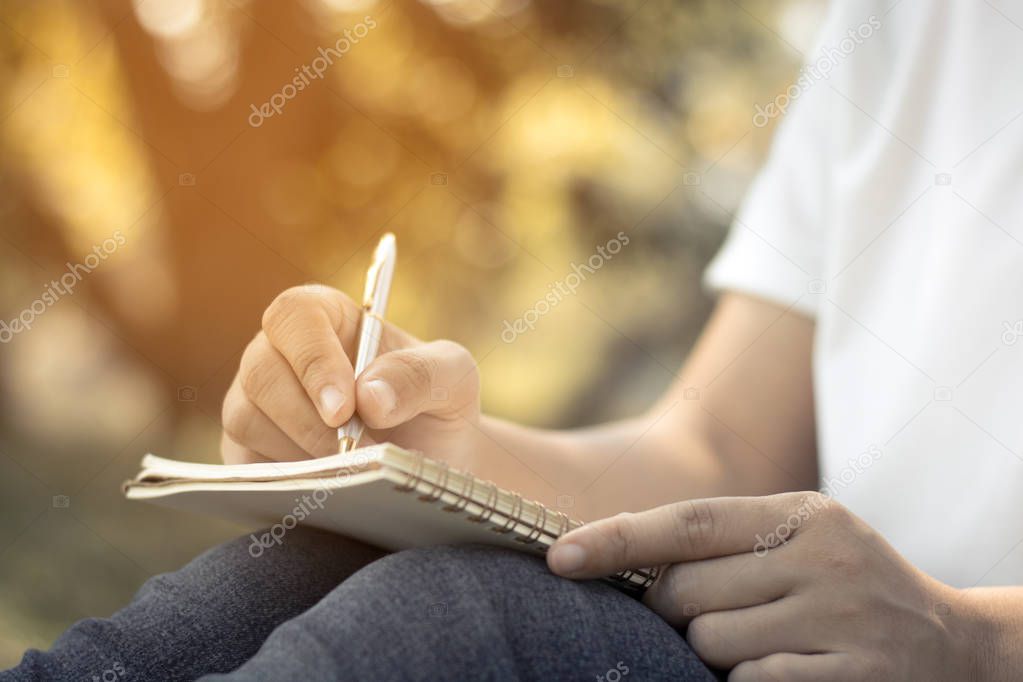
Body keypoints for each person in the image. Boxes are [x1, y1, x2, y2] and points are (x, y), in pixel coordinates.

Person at [6, 0, 1023, 679]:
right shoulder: (911, 23)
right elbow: (719, 457)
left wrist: (972, 640)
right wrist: (446, 460)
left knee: (461, 624)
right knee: (283, 575)